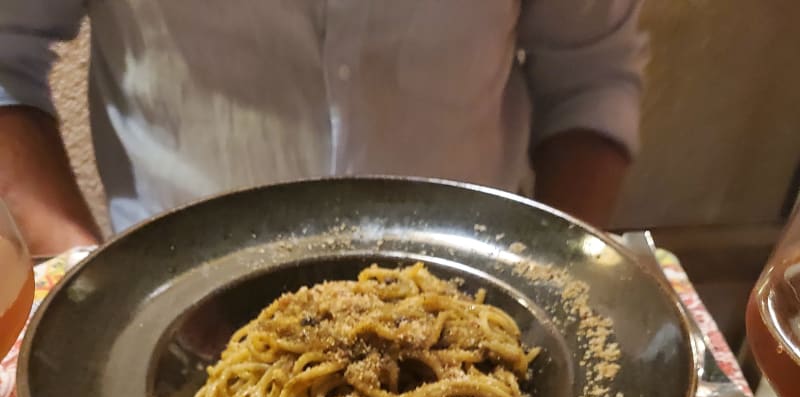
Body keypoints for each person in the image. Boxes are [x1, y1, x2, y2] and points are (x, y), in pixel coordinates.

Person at [0, 1, 648, 257]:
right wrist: (85, 281)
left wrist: (554, 278)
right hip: (170, 303)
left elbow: (590, 76)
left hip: (469, 304)